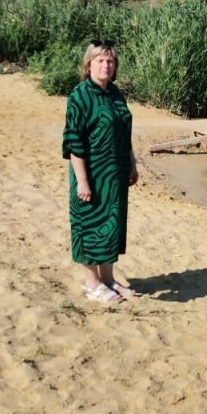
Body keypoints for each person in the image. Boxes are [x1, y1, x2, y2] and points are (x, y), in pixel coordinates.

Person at [62, 40, 139, 303]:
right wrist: (82, 181)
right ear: (89, 64)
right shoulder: (80, 95)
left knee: (111, 225)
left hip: (115, 174)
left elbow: (123, 131)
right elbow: (74, 142)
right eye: (100, 60)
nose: (106, 65)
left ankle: (108, 280)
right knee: (89, 226)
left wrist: (132, 162)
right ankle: (91, 282)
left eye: (110, 61)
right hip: (91, 173)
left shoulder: (115, 93)